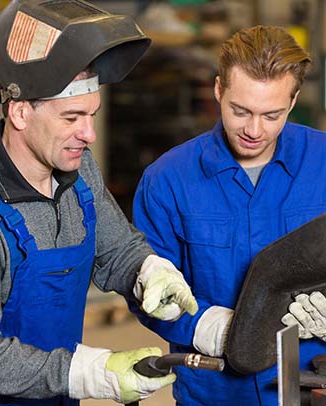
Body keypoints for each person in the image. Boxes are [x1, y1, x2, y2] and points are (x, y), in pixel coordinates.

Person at [0, 1, 199, 405]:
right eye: (71, 118)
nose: (89, 134)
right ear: (20, 112)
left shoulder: (80, 172)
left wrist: (148, 271)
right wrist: (88, 372)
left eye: (92, 115)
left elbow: (116, 248)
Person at [131, 25, 326, 405]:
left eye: (272, 115)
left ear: (293, 100)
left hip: (312, 388)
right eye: (241, 111)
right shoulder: (168, 180)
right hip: (213, 392)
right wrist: (210, 329)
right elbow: (142, 290)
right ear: (219, 89)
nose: (254, 130)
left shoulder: (324, 162)